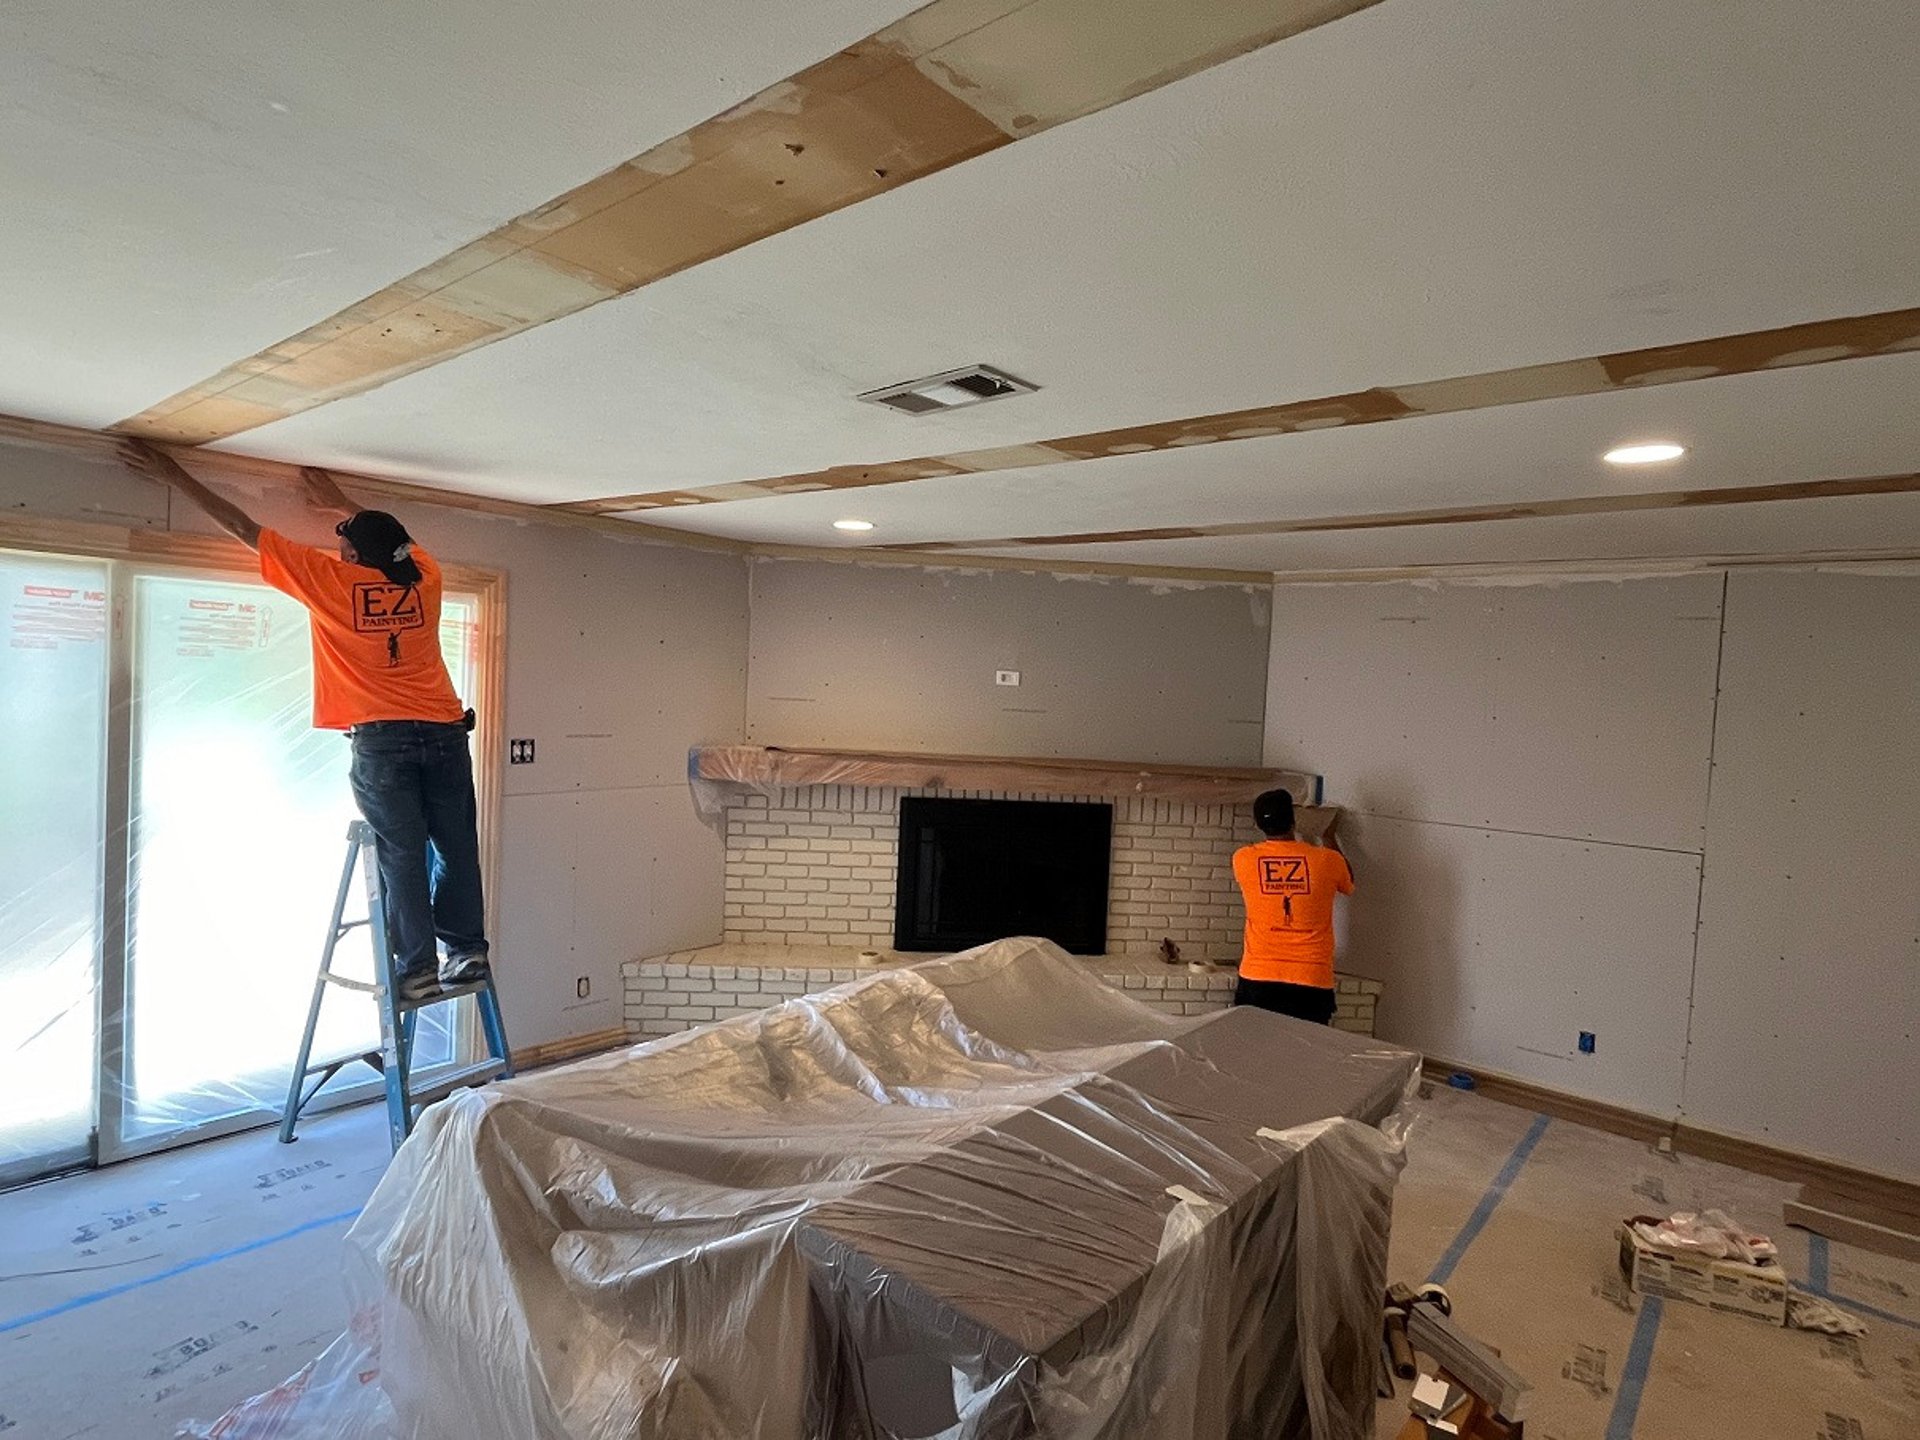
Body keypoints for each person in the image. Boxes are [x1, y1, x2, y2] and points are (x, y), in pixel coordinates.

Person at [119, 441, 489, 1002]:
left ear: (351, 556)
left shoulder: (330, 582)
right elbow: (395, 539)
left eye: (343, 544)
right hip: (443, 732)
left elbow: (243, 527)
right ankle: (466, 952)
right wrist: (339, 503)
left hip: (383, 741)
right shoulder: (426, 577)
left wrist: (174, 473)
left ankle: (417, 970)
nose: (336, 548)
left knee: (402, 853)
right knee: (455, 845)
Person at [1230, 788, 1353, 1024]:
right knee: (1305, 1046)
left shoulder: (1243, 859)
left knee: (1255, 1044)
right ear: (1294, 821)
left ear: (1258, 825)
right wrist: (1327, 836)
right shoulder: (1328, 860)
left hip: (1259, 975)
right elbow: (1348, 883)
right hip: (1311, 977)